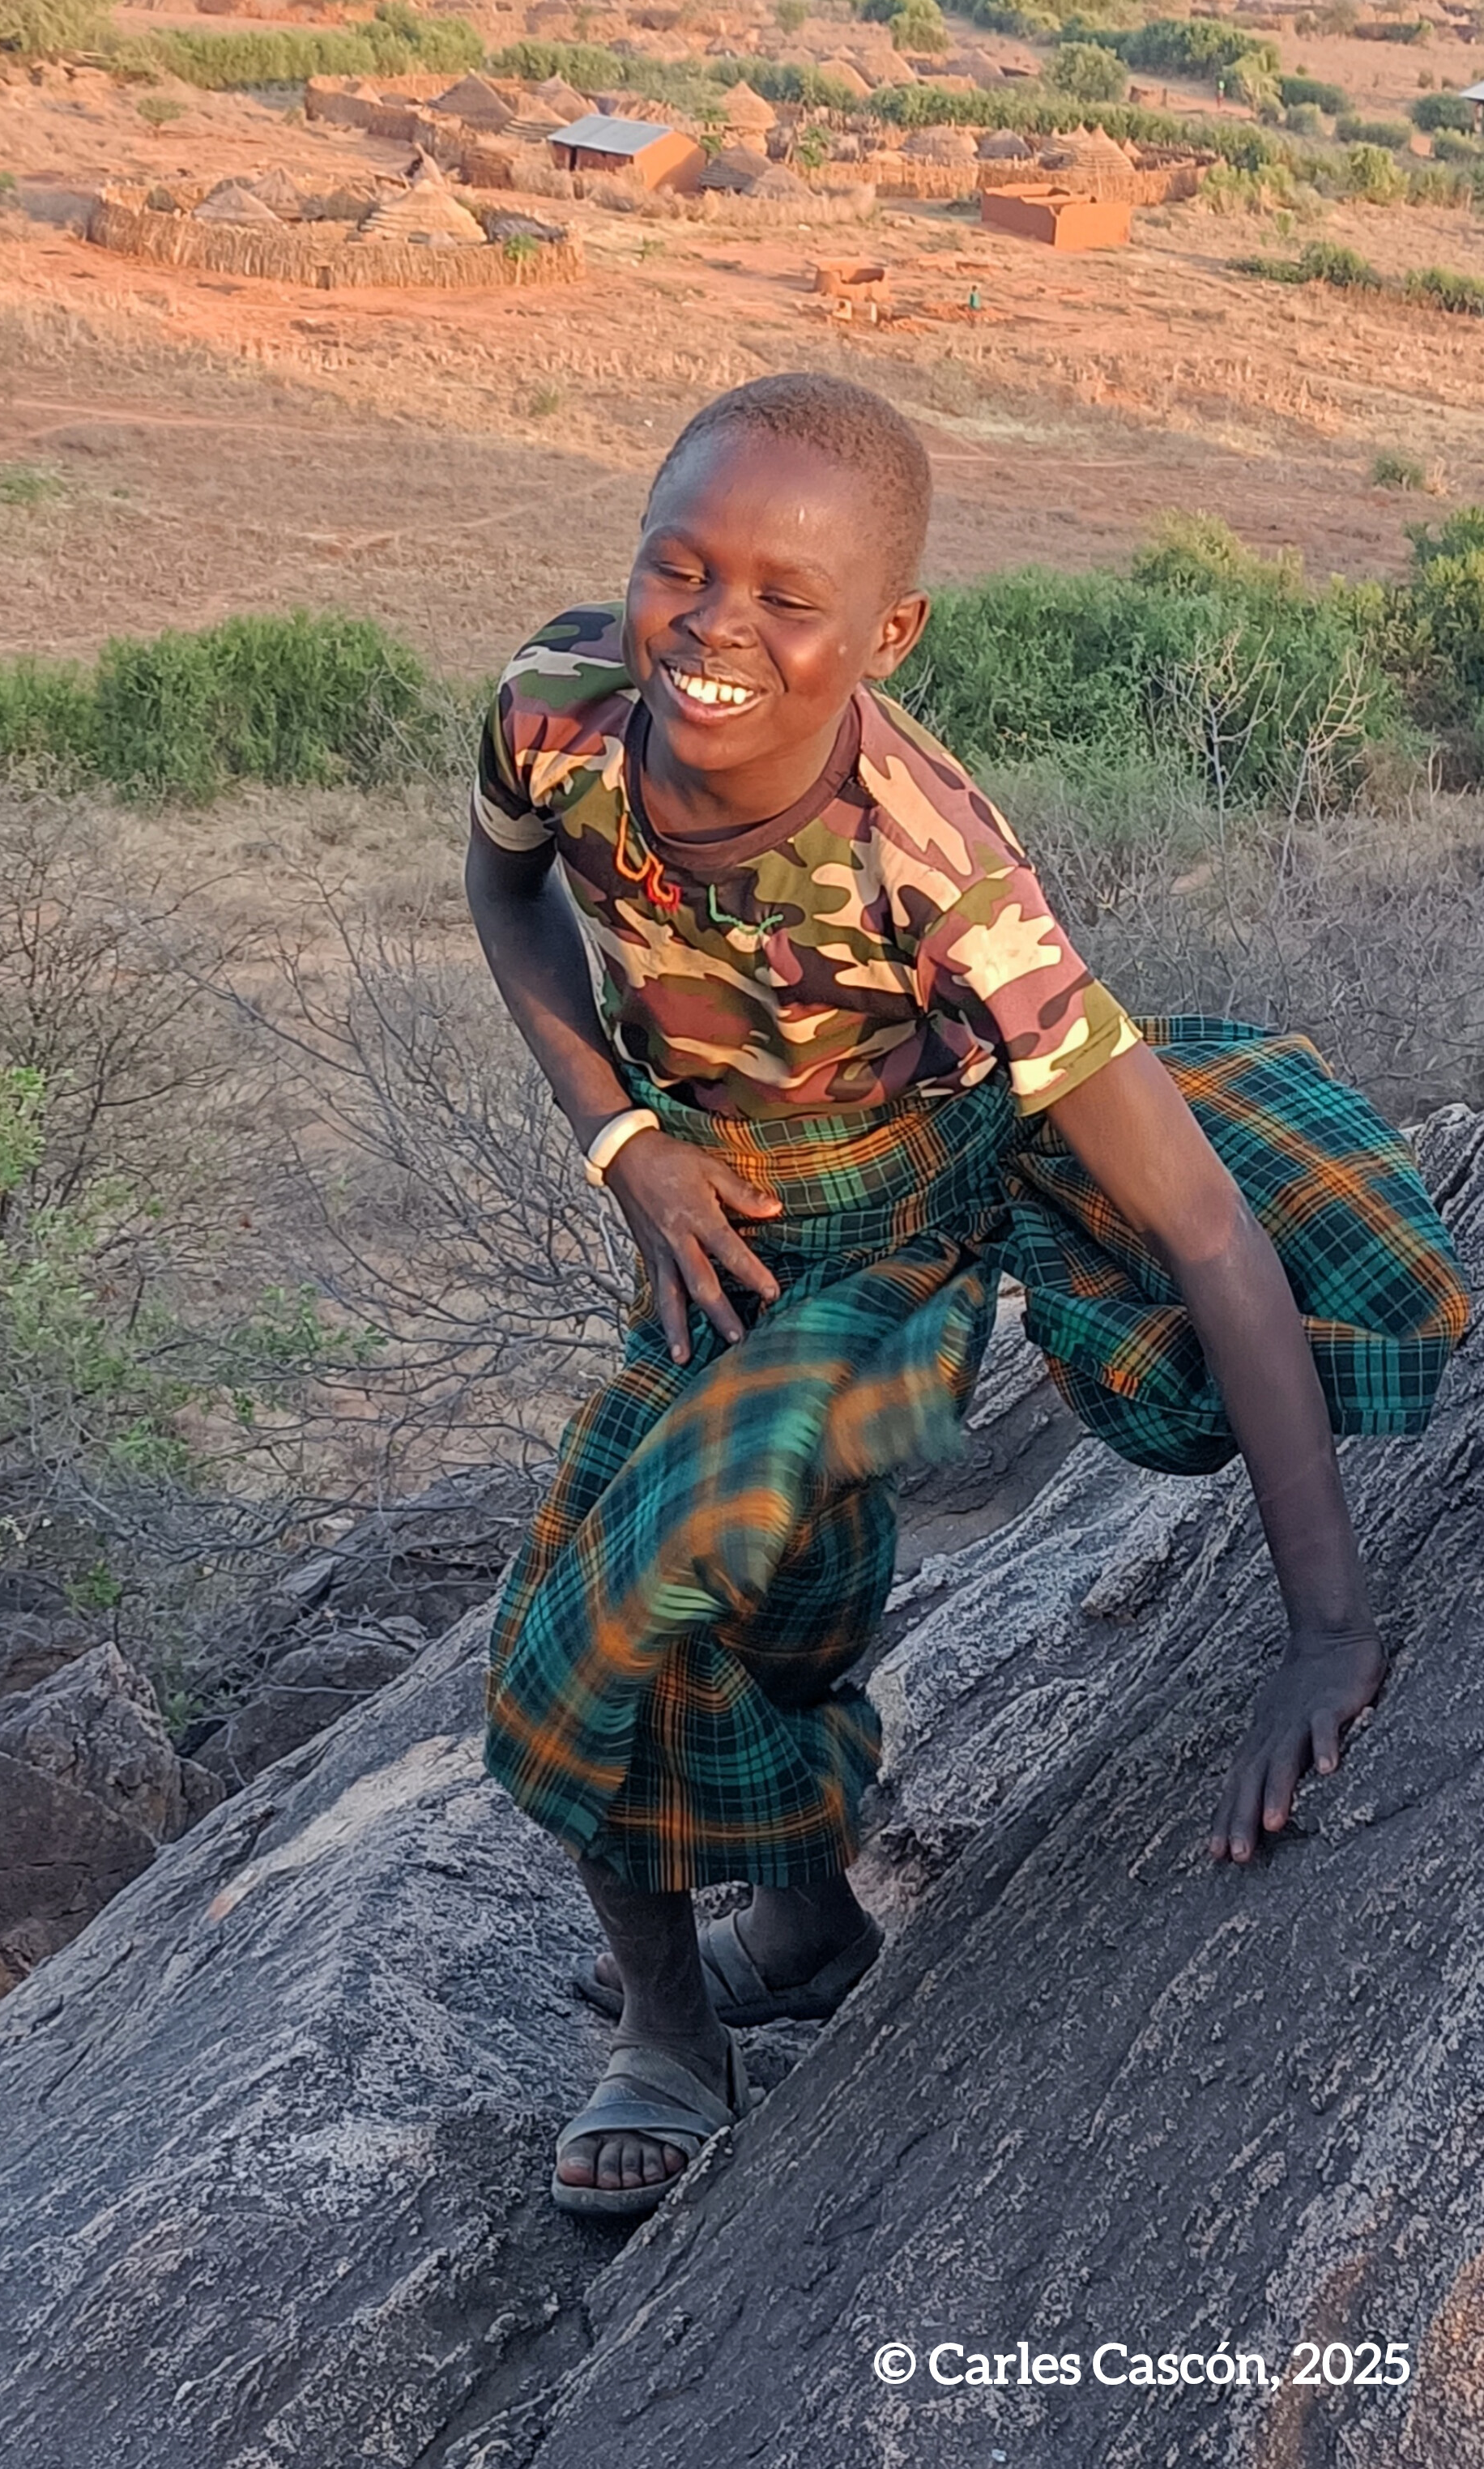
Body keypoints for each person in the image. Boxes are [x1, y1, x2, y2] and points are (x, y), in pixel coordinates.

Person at [465, 371, 1466, 2224]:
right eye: (678, 566)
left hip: (915, 1220)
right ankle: (737, 1980)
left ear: (884, 632)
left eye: (785, 596)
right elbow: (505, 891)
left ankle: (689, 2018)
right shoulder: (560, 704)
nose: (713, 625)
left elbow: (1203, 1227)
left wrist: (1324, 1625)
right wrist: (622, 1143)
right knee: (625, 1605)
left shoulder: (933, 871)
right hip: (720, 1207)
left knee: (676, 1564)